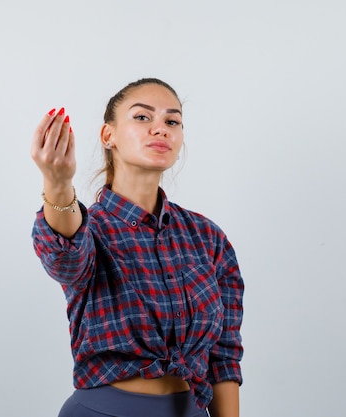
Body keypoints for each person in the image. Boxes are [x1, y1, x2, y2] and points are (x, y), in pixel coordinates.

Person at [30, 78, 244, 417]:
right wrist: (58, 184)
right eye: (143, 118)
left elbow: (223, 356)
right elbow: (66, 260)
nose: (160, 129)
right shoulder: (91, 228)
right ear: (108, 135)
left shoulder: (207, 237)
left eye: (171, 121)